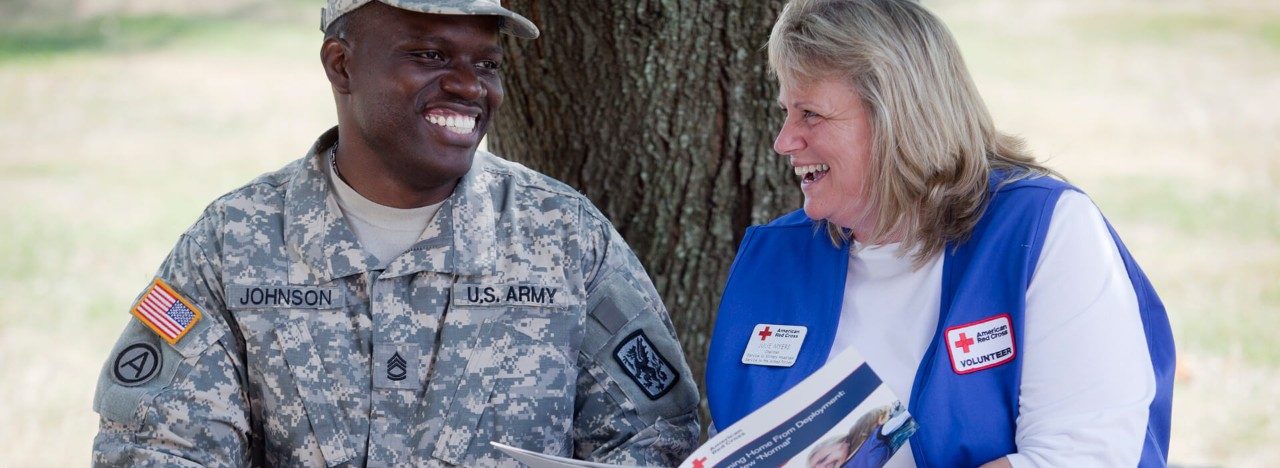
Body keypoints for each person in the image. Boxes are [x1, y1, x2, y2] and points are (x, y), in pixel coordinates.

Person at [91, 1, 700, 466]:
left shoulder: (561, 234)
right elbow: (158, 443)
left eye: (486, 64)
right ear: (341, 64)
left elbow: (655, 437)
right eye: (430, 56)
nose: (469, 85)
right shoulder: (236, 242)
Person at [705, 0, 1174, 467]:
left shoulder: (1039, 229)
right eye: (786, 112)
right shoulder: (776, 258)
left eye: (810, 114)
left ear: (897, 117)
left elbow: (1085, 455)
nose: (783, 141)